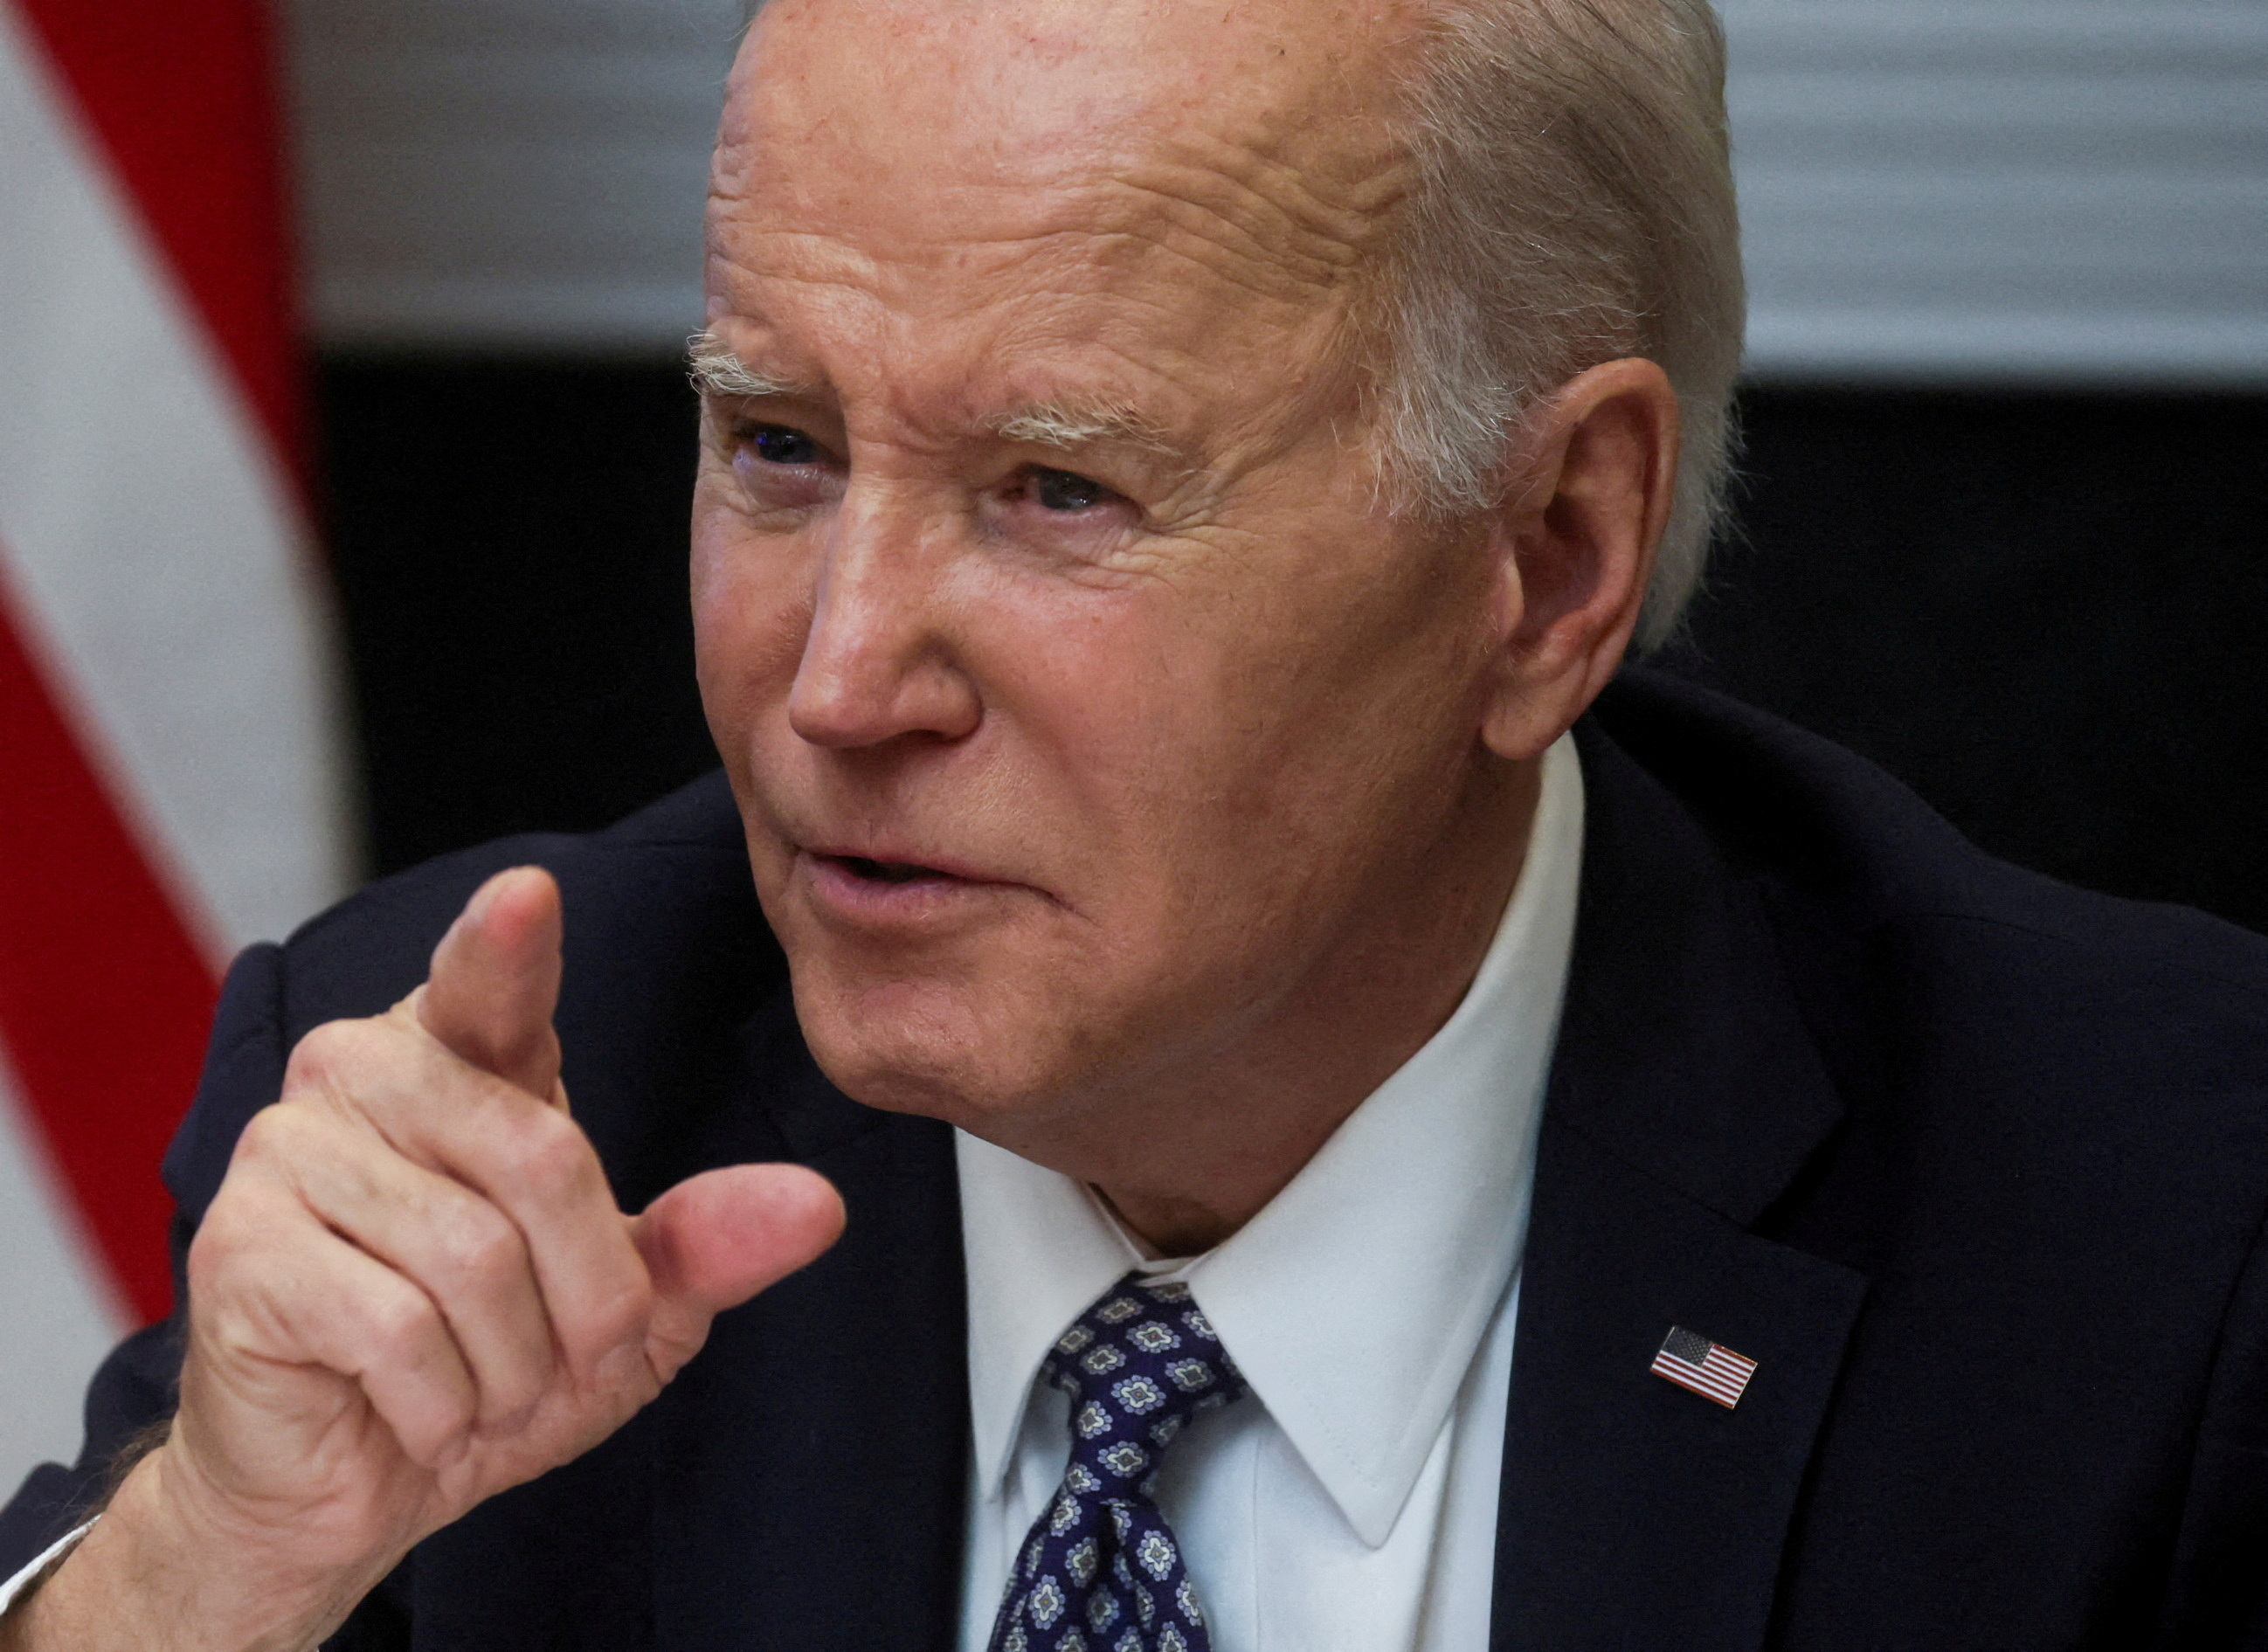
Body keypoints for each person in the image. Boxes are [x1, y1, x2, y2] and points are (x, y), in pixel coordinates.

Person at [4, 0, 2266, 1645]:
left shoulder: (2156, 1247)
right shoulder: (494, 1118)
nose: (837, 679)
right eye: (776, 445)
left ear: (1551, 553)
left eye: (1057, 489)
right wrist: (214, 1564)